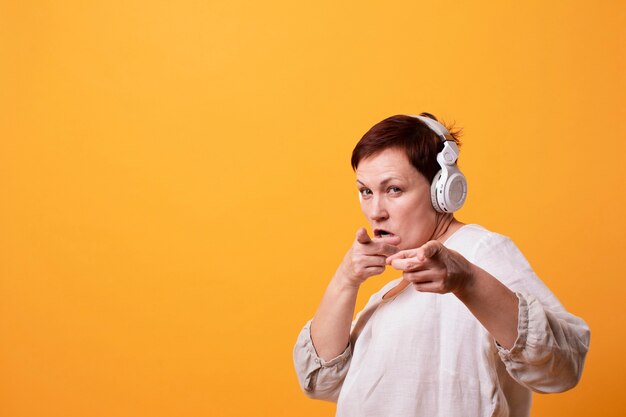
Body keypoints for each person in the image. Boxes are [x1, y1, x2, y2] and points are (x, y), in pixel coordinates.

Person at [292, 113, 590, 417]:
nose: (375, 212)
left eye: (393, 189)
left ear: (443, 191)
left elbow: (563, 366)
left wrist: (468, 282)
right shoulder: (390, 292)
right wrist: (346, 279)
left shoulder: (479, 251)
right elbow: (319, 382)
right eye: (366, 191)